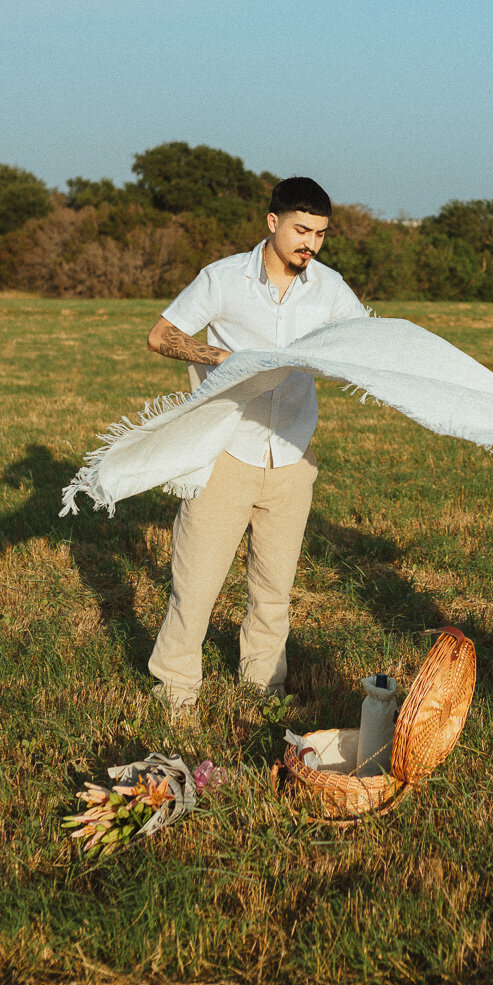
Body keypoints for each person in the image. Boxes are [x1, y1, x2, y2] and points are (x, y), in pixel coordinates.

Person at [145, 176, 366, 715]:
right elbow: (161, 335)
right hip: (226, 453)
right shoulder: (222, 278)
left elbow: (367, 343)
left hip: (292, 456)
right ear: (272, 222)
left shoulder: (330, 287)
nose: (310, 244)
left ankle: (262, 688)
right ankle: (175, 692)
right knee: (196, 587)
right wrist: (221, 359)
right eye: (301, 230)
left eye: (320, 234)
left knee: (273, 590)